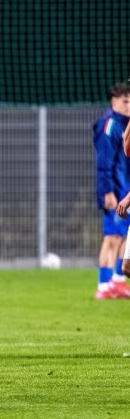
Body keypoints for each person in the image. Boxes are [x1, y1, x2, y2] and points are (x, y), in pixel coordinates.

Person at [93, 82, 130, 299]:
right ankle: (104, 285)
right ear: (113, 101)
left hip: (123, 189)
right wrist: (108, 192)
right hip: (114, 190)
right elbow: (104, 163)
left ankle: (115, 282)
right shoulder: (109, 125)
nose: (128, 106)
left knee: (121, 236)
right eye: (125, 101)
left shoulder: (122, 124)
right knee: (112, 238)